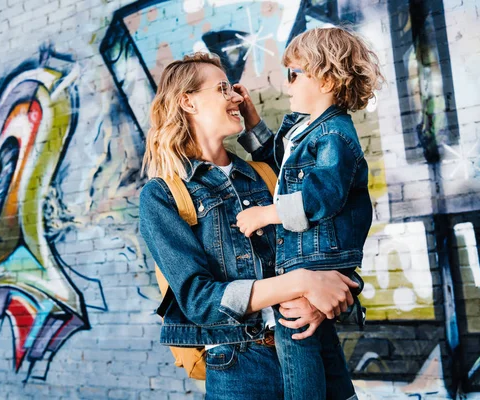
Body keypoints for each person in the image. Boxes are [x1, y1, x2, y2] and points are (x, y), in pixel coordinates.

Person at [138, 52, 358, 400]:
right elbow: (200, 300)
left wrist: (323, 299)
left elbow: (335, 237)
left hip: (314, 352)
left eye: (234, 89)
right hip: (240, 369)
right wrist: (299, 283)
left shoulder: (267, 175)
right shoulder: (163, 195)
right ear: (187, 102)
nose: (237, 97)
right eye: (223, 88)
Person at [235, 27, 384, 400]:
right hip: (312, 258)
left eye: (294, 74)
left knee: (295, 342)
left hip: (315, 260)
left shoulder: (333, 136)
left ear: (327, 78)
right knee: (322, 350)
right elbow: (281, 166)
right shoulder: (308, 132)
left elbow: (320, 198)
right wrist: (252, 122)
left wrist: (265, 215)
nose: (287, 85)